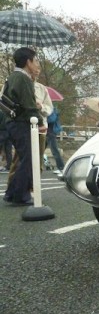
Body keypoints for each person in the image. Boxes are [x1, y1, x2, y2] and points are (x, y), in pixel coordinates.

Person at [3, 47, 46, 206]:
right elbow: (29, 106)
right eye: (35, 61)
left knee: (24, 158)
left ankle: (12, 193)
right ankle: (21, 194)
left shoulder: (12, 76)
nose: (37, 64)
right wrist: (40, 123)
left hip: (12, 122)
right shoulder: (23, 78)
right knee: (29, 159)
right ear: (28, 62)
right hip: (21, 123)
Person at [46, 106, 65, 174]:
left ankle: (61, 168)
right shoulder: (49, 109)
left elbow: (51, 120)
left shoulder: (52, 110)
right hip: (46, 131)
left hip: (51, 132)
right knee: (40, 150)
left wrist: (44, 117)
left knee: (54, 150)